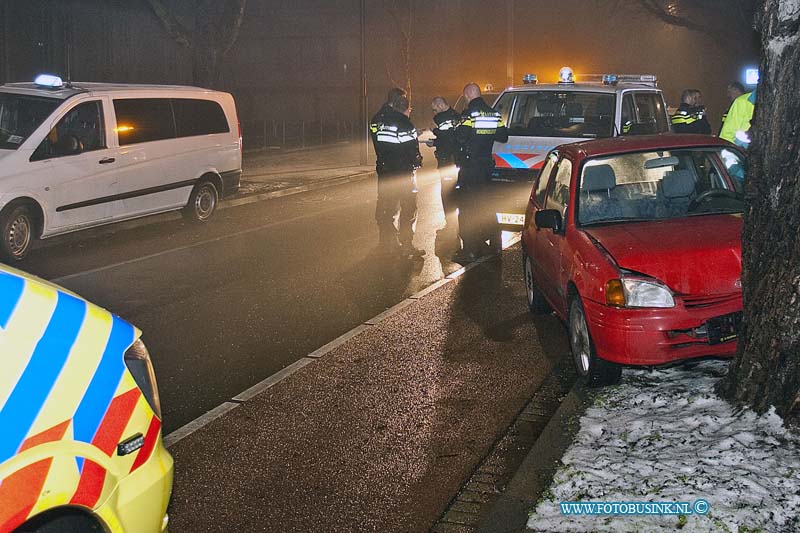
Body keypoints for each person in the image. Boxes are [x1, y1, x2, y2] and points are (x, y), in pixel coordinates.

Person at [454, 83, 508, 262]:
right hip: (486, 167)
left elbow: (460, 138)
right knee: (487, 205)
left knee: (467, 208)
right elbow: (503, 136)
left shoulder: (469, 114)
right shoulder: (494, 114)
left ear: (468, 95)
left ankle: (470, 250)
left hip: (470, 169)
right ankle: (494, 245)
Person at [370, 90, 424, 256]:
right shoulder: (404, 123)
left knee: (386, 207)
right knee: (408, 208)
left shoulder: (379, 118)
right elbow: (411, 151)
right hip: (403, 173)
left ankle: (386, 244)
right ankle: (406, 245)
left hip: (386, 170)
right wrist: (417, 159)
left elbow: (378, 140)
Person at [427, 96, 461, 213]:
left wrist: (434, 130)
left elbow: (449, 138)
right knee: (452, 191)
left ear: (441, 105)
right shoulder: (456, 116)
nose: (434, 113)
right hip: (454, 159)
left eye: (434, 109)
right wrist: (435, 142)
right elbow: (448, 138)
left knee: (447, 192)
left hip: (448, 160)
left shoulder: (443, 119)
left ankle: (450, 222)